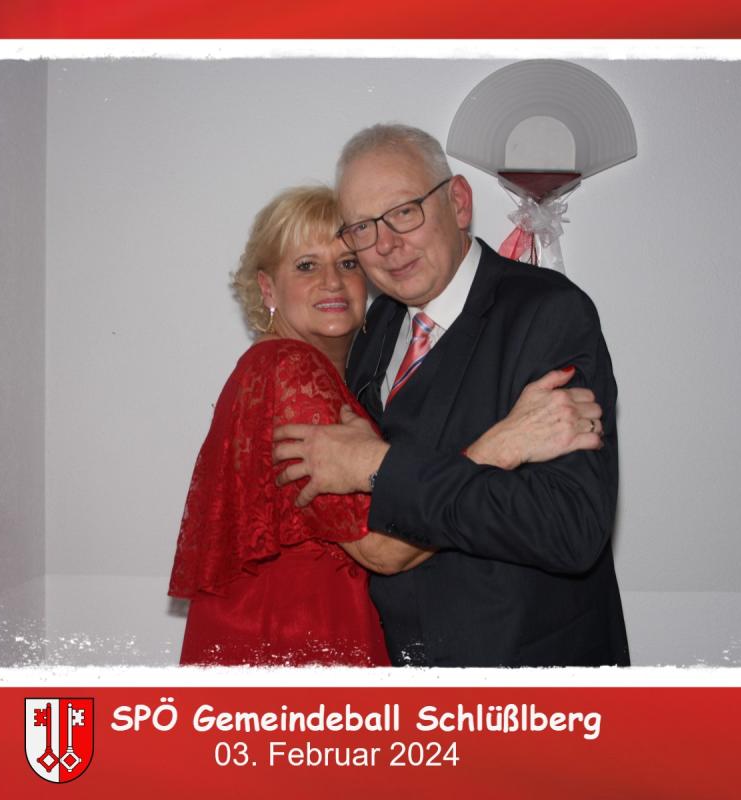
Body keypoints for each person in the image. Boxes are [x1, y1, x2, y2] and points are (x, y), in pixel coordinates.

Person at [169, 185, 605, 667]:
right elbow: (383, 550)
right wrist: (503, 443)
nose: (332, 282)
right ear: (268, 288)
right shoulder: (291, 369)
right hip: (300, 647)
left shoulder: (314, 369)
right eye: (307, 266)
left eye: (347, 263)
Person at [273, 125, 629, 667]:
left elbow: (570, 528)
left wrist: (376, 465)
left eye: (405, 212)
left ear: (459, 202)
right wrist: (495, 449)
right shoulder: (371, 330)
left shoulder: (548, 312)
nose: (386, 244)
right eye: (363, 228)